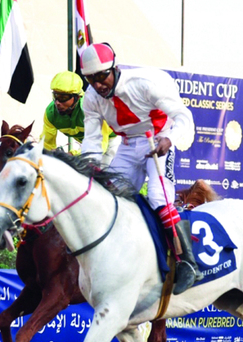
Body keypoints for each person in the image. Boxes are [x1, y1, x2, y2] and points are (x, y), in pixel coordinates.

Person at [79, 42, 201, 295]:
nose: (98, 84)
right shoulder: (90, 99)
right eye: (91, 79)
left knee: (158, 196)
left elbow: (183, 116)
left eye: (102, 76)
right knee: (109, 199)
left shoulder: (144, 83)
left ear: (114, 68)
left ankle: (187, 262)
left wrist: (169, 140)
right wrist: (89, 167)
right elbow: (91, 139)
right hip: (126, 145)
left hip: (158, 138)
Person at [41, 71, 120, 165]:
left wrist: (72, 154)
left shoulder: (89, 108)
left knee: (101, 171)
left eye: (63, 97)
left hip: (112, 142)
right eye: (56, 96)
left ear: (77, 97)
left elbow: (99, 146)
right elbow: (47, 145)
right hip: (87, 147)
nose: (57, 102)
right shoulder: (50, 113)